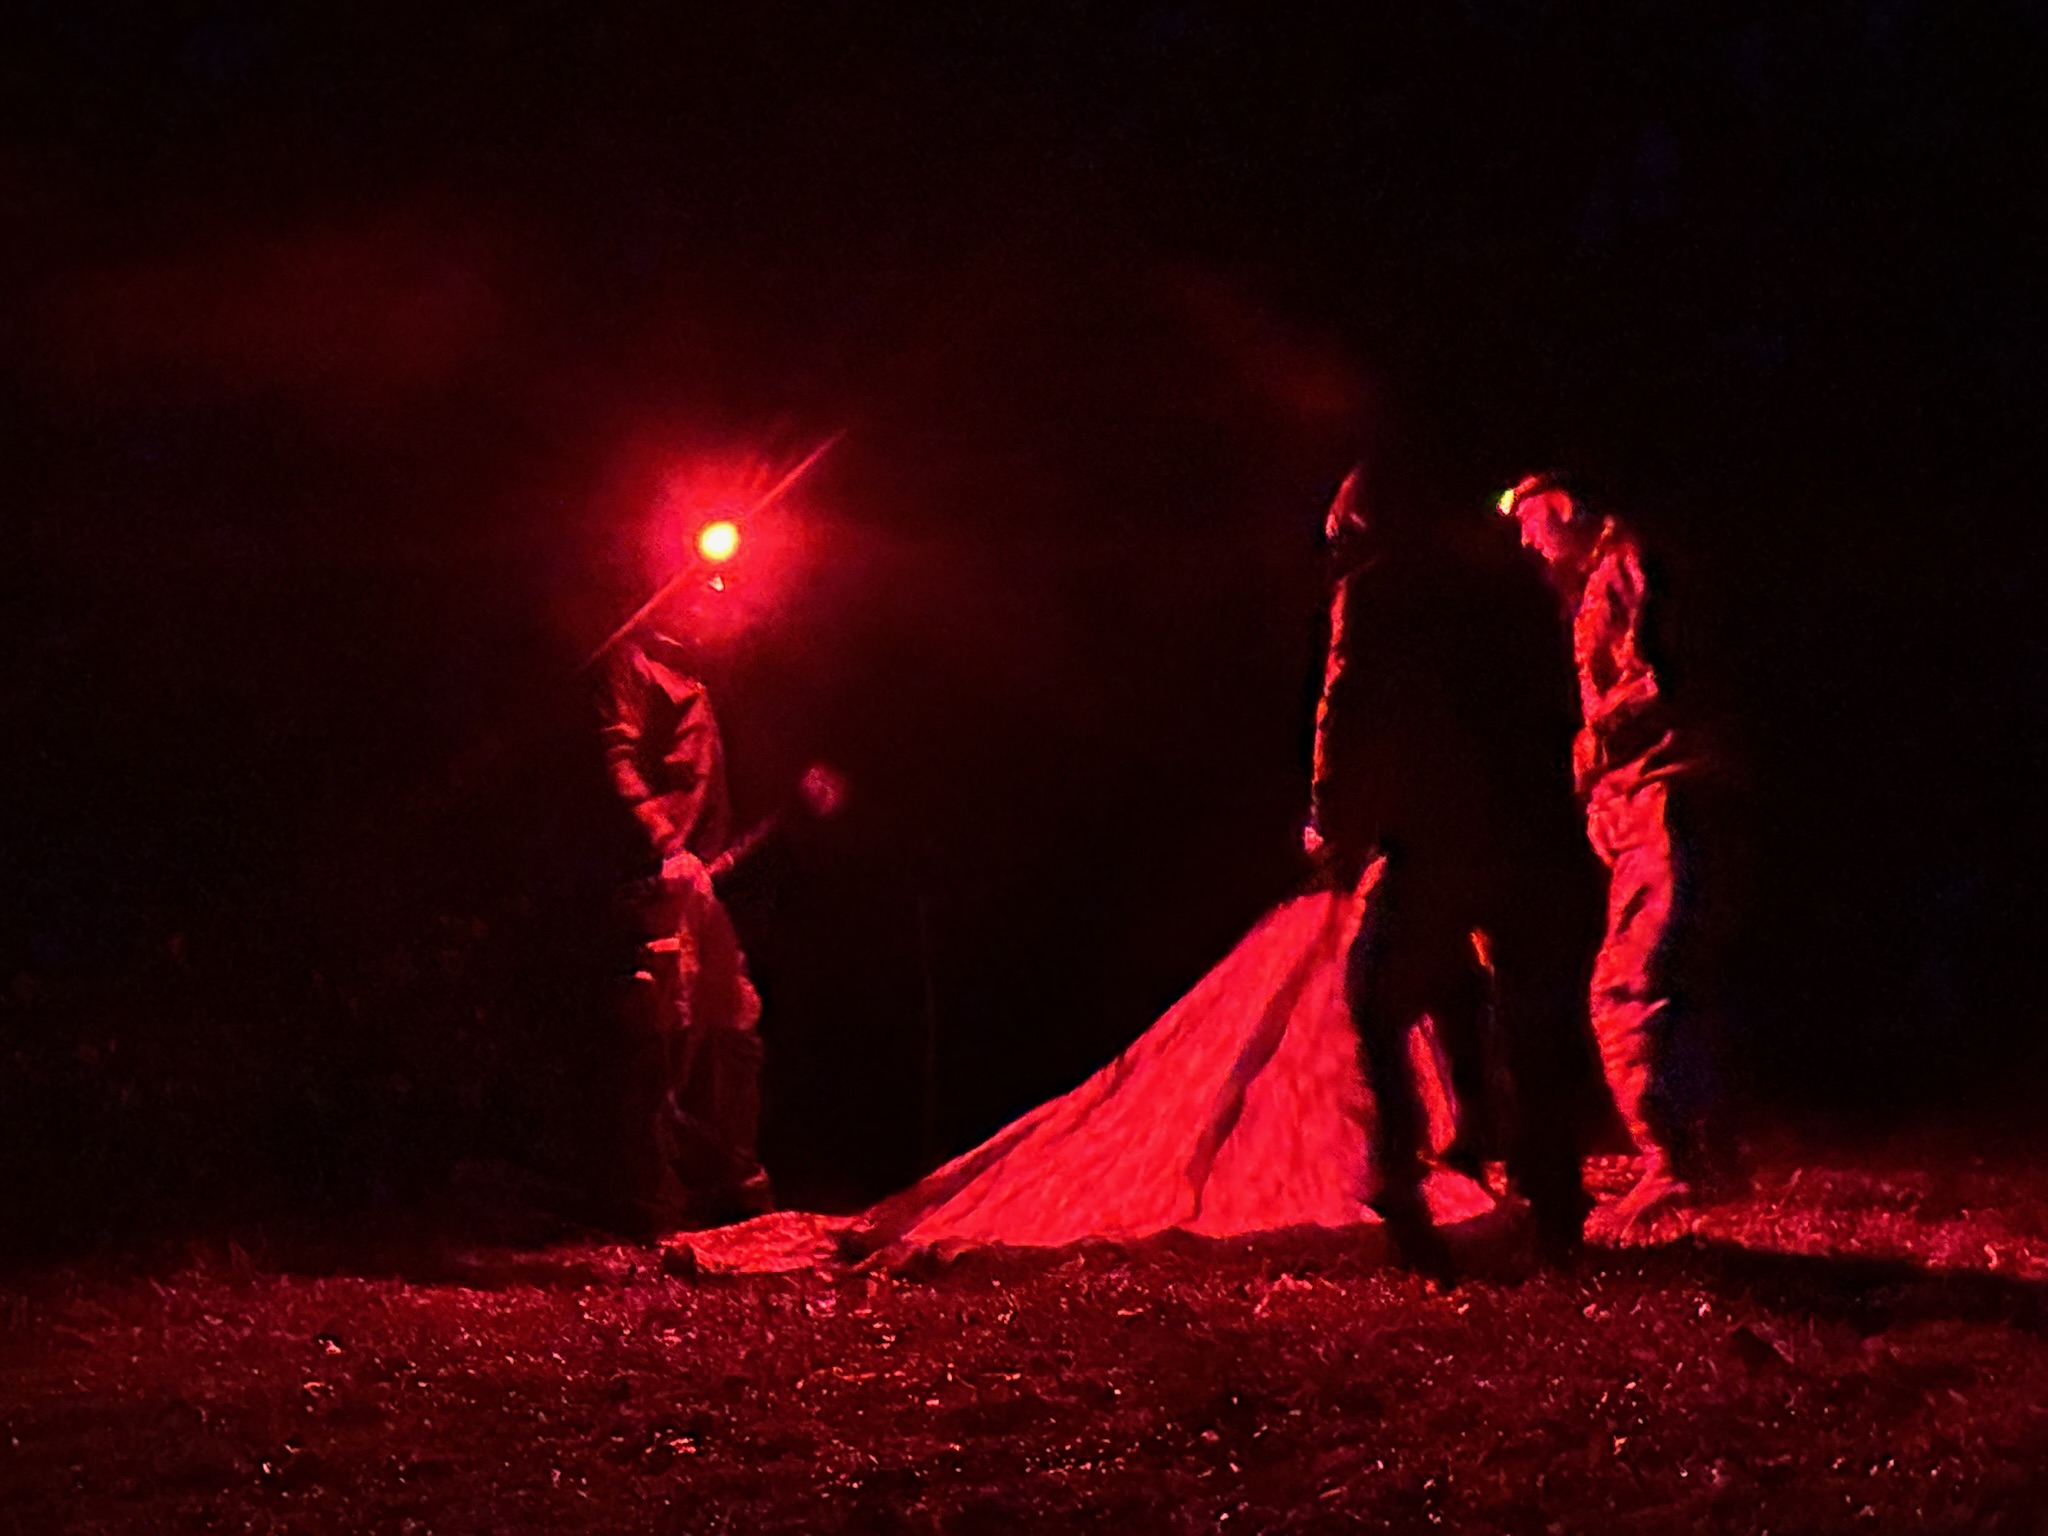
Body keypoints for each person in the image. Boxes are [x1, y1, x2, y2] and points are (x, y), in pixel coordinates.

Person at [1306, 465, 1601, 1270]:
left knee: (1376, 992)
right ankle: (1549, 1198)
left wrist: (1336, 823)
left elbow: (1351, 708)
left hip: (1440, 830)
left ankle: (1401, 1177)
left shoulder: (1378, 593)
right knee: (1533, 1010)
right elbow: (1566, 693)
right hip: (1536, 821)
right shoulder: (1517, 587)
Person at [1497, 473, 1717, 1227]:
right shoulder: (1599, 581)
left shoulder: (1628, 565)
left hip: (1666, 789)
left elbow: (1662, 678)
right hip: (1641, 797)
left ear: (1560, 508)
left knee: (1630, 982)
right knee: (1659, 979)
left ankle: (1673, 1164)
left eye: (1530, 523)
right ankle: (1696, 1154)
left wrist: (1590, 746)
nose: (1527, 543)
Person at [596, 626, 773, 1234]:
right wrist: (664, 844)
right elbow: (617, 760)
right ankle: (649, 1201)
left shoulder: (701, 668)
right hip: (664, 877)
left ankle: (728, 1188)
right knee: (663, 1027)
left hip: (700, 878)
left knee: (728, 1026)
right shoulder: (634, 661)